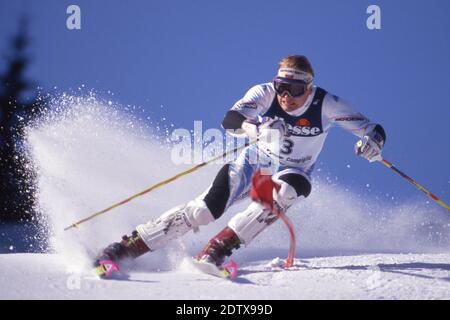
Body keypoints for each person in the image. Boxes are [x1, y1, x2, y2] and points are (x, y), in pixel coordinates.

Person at [94, 55, 386, 277]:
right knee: (204, 211)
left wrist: (373, 144)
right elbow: (230, 119)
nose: (286, 96)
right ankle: (123, 249)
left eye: (295, 89)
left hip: (293, 170)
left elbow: (372, 128)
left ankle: (217, 250)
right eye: (282, 86)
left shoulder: (328, 104)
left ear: (309, 88)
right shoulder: (265, 93)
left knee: (287, 190)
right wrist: (255, 127)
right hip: (254, 162)